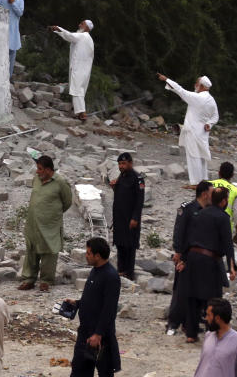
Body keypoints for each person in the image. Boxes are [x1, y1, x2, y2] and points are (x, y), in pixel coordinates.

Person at [180, 186, 235, 343]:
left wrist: (183, 258)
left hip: (192, 258)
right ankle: (213, 332)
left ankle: (191, 333)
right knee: (212, 299)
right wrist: (232, 266)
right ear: (224, 201)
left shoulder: (199, 213)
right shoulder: (223, 218)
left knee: (192, 296)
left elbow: (188, 238)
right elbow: (227, 244)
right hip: (210, 261)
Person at [64, 237, 120, 377]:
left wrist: (98, 334)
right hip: (85, 332)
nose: (86, 256)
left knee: (105, 372)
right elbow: (93, 299)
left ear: (98, 256)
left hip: (100, 337)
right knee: (79, 371)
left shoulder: (111, 277)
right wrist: (77, 303)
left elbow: (109, 309)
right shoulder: (95, 270)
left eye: (88, 253)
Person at [19, 155, 73, 292]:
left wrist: (53, 214)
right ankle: (29, 279)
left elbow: (67, 202)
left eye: (40, 169)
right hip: (33, 223)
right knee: (31, 250)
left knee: (49, 252)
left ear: (49, 170)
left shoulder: (60, 182)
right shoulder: (37, 179)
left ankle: (46, 281)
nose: (37, 171)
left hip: (50, 225)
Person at [166, 181, 213, 336]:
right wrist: (178, 252)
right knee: (180, 290)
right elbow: (179, 231)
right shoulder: (187, 209)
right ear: (205, 193)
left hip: (199, 257)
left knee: (196, 291)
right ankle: (173, 323)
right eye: (211, 193)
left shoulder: (208, 211)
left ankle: (190, 323)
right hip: (185, 255)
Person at [156, 73, 219, 186]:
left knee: (193, 156)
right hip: (203, 133)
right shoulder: (211, 99)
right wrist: (209, 124)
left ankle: (195, 183)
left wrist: (167, 79)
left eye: (197, 83)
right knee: (202, 156)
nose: (195, 85)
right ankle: (203, 179)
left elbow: (181, 91)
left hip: (193, 131)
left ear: (202, 86)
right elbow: (216, 116)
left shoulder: (198, 98)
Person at [49, 20, 95, 120]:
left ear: (87, 28)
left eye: (82, 24)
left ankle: (82, 113)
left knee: (76, 89)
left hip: (79, 68)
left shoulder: (83, 36)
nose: (79, 25)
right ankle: (80, 112)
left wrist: (58, 29)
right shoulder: (89, 39)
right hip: (84, 69)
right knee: (79, 89)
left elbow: (70, 36)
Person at [192, 298, 237, 377]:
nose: (206, 318)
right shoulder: (208, 336)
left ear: (217, 318)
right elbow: (202, 366)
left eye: (208, 315)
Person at [110, 152, 144, 280]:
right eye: (119, 164)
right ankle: (121, 270)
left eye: (123, 163)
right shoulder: (121, 176)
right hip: (119, 217)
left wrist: (135, 218)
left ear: (130, 163)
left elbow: (139, 200)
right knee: (120, 243)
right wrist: (114, 187)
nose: (121, 166)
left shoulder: (137, 178)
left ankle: (129, 273)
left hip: (130, 218)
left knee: (130, 245)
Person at [0, 0, 24, 81]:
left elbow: (20, 13)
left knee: (12, 56)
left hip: (13, 33)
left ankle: (8, 78)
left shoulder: (20, 1)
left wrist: (13, 3)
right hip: (2, 31)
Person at [210, 162, 237, 234]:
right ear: (232, 175)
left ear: (219, 173)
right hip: (225, 224)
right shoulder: (235, 190)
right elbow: (236, 212)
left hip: (207, 221)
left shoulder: (208, 184)